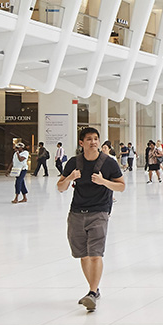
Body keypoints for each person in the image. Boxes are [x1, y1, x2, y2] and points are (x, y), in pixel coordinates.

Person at [57, 127, 125, 311]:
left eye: (96, 138)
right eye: (89, 139)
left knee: (95, 254)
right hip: (77, 212)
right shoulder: (73, 162)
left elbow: (121, 187)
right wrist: (70, 177)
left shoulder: (109, 163)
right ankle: (94, 289)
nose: (93, 142)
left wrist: (104, 182)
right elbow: (60, 187)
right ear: (81, 143)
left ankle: (92, 292)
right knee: (83, 255)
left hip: (99, 212)